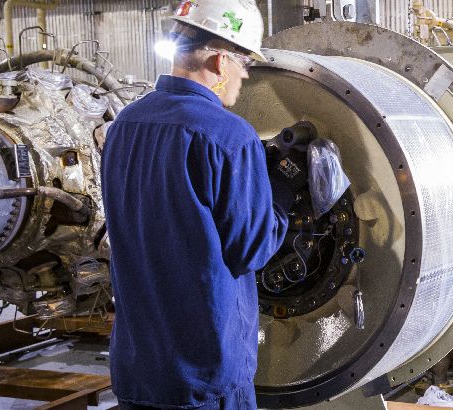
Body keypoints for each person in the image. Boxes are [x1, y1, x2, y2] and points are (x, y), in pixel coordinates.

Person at [100, 1, 296, 408]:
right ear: (221, 61)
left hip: (138, 367)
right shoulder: (228, 135)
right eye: (244, 63)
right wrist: (282, 191)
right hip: (204, 373)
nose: (245, 76)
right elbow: (252, 249)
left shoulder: (123, 125)